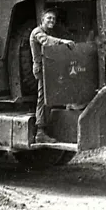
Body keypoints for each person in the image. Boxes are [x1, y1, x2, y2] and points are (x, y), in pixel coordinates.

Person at [29, 9, 75, 143]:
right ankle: (40, 132)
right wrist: (63, 41)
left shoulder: (50, 32)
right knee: (43, 98)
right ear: (42, 20)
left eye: (53, 19)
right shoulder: (37, 32)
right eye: (49, 18)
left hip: (50, 68)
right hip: (41, 68)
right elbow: (47, 41)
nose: (51, 21)